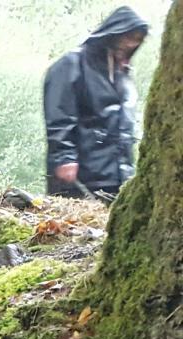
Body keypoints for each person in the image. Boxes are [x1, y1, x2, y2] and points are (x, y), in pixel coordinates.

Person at [44, 6, 151, 199]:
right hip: (80, 176)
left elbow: (123, 127)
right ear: (114, 33)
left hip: (117, 178)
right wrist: (63, 158)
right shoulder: (72, 64)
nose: (131, 44)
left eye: (137, 40)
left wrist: (126, 174)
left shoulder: (122, 75)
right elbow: (59, 115)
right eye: (128, 37)